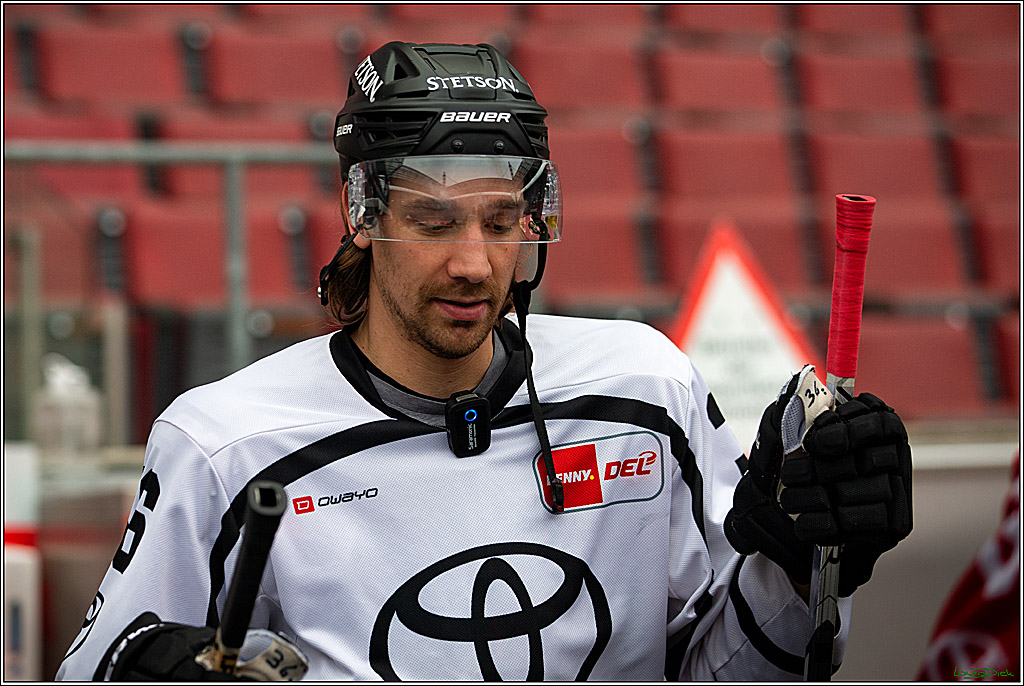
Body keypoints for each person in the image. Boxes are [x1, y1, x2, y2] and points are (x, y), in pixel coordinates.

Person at [56, 41, 912, 681]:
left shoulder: (650, 385)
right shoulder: (224, 442)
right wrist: (155, 669)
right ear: (363, 215)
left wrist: (800, 571)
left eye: (502, 221)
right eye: (434, 223)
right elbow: (96, 668)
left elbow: (732, 669)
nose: (474, 263)